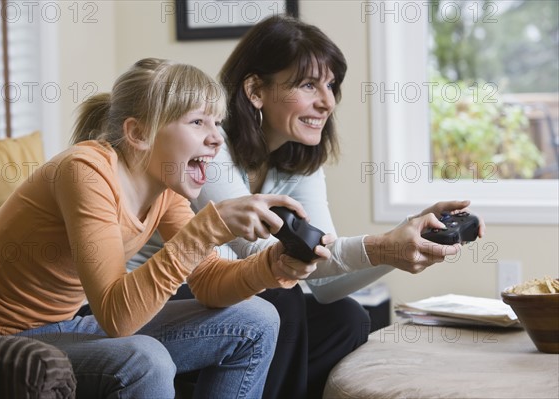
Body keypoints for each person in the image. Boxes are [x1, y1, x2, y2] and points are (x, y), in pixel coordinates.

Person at [131, 15, 486, 399]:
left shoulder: (296, 162)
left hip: (226, 300)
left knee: (346, 318)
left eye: (331, 85)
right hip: (161, 298)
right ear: (254, 90)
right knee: (278, 294)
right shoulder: (208, 145)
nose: (327, 101)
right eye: (307, 84)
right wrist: (384, 245)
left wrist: (405, 240)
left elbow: (326, 283)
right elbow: (262, 257)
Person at [0, 58, 332, 398]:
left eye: (217, 122)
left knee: (259, 318)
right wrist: (206, 229)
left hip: (60, 328)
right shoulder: (84, 171)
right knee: (144, 358)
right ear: (138, 134)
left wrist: (271, 266)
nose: (217, 138)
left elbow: (206, 281)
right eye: (198, 121)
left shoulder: (164, 190)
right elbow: (116, 316)